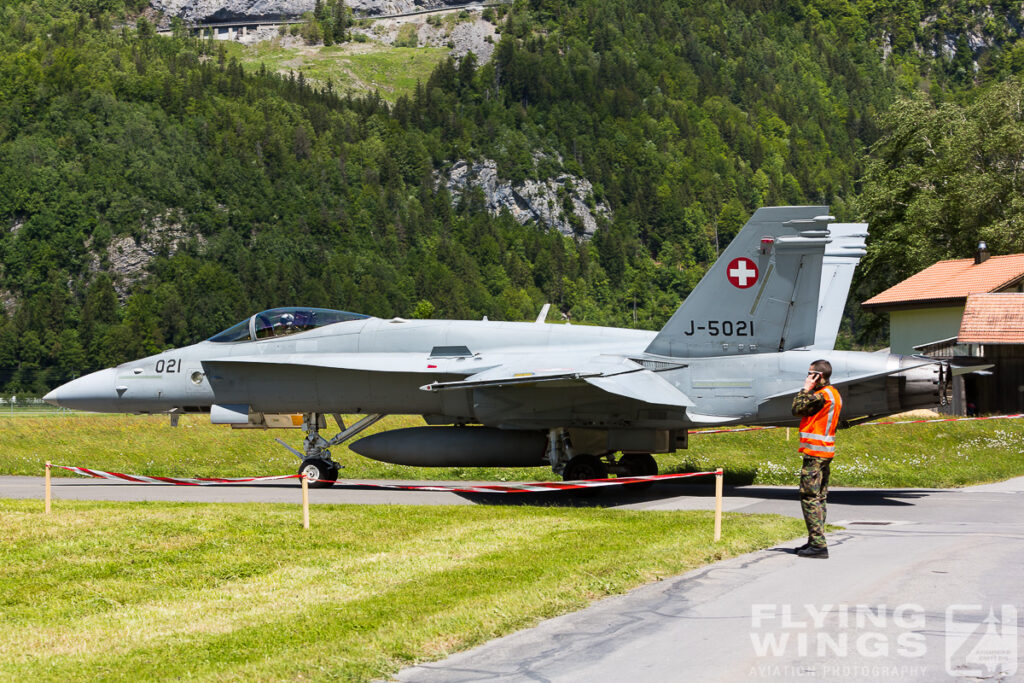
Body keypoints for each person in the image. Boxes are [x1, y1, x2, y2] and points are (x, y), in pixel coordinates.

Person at [791, 359, 842, 559]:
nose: (807, 376)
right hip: (825, 451)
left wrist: (805, 389)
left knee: (809, 497)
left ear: (818, 376)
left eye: (810, 373)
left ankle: (819, 545)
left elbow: (796, 408)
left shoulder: (820, 396)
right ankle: (815, 541)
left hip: (815, 453)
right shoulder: (834, 394)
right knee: (819, 497)